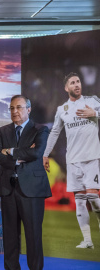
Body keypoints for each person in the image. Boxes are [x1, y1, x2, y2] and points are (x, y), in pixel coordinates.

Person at [0, 95, 51, 270]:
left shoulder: (40, 130)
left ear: (28, 109)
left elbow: (36, 154)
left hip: (32, 190)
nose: (15, 111)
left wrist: (9, 151)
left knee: (33, 236)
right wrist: (18, 158)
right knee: (10, 237)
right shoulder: (2, 131)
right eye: (11, 108)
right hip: (8, 188)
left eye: (19, 107)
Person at [43, 72, 100, 249]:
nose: (76, 85)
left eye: (78, 81)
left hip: (91, 158)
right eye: (72, 83)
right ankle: (87, 240)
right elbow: (54, 133)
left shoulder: (93, 101)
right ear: (66, 88)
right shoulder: (62, 110)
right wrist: (45, 154)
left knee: (93, 196)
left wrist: (95, 113)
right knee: (80, 201)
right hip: (73, 161)